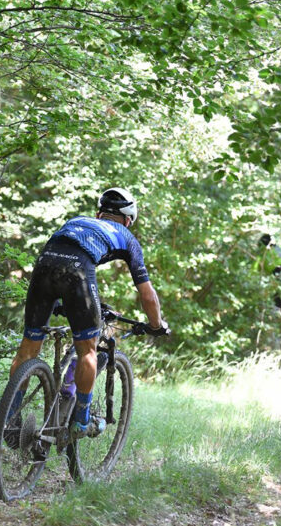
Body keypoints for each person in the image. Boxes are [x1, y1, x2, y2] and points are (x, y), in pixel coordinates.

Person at [9, 188, 169, 438]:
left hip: (43, 268)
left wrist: (61, 301)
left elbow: (58, 258)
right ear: (128, 221)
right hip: (78, 271)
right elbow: (147, 294)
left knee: (28, 348)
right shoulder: (126, 236)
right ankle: (81, 421)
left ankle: (9, 418)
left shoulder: (76, 222)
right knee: (87, 350)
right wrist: (156, 325)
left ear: (98, 213)